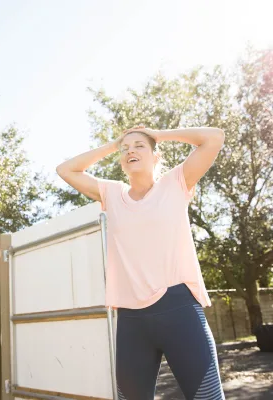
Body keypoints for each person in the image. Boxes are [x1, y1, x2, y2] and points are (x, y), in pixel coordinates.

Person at [56, 125, 226, 400]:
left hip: (179, 310)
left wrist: (159, 133)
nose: (130, 151)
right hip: (131, 320)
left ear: (156, 156)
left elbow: (214, 138)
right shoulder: (112, 193)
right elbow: (66, 170)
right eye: (126, 149)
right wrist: (114, 144)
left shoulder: (176, 182)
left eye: (139, 146)